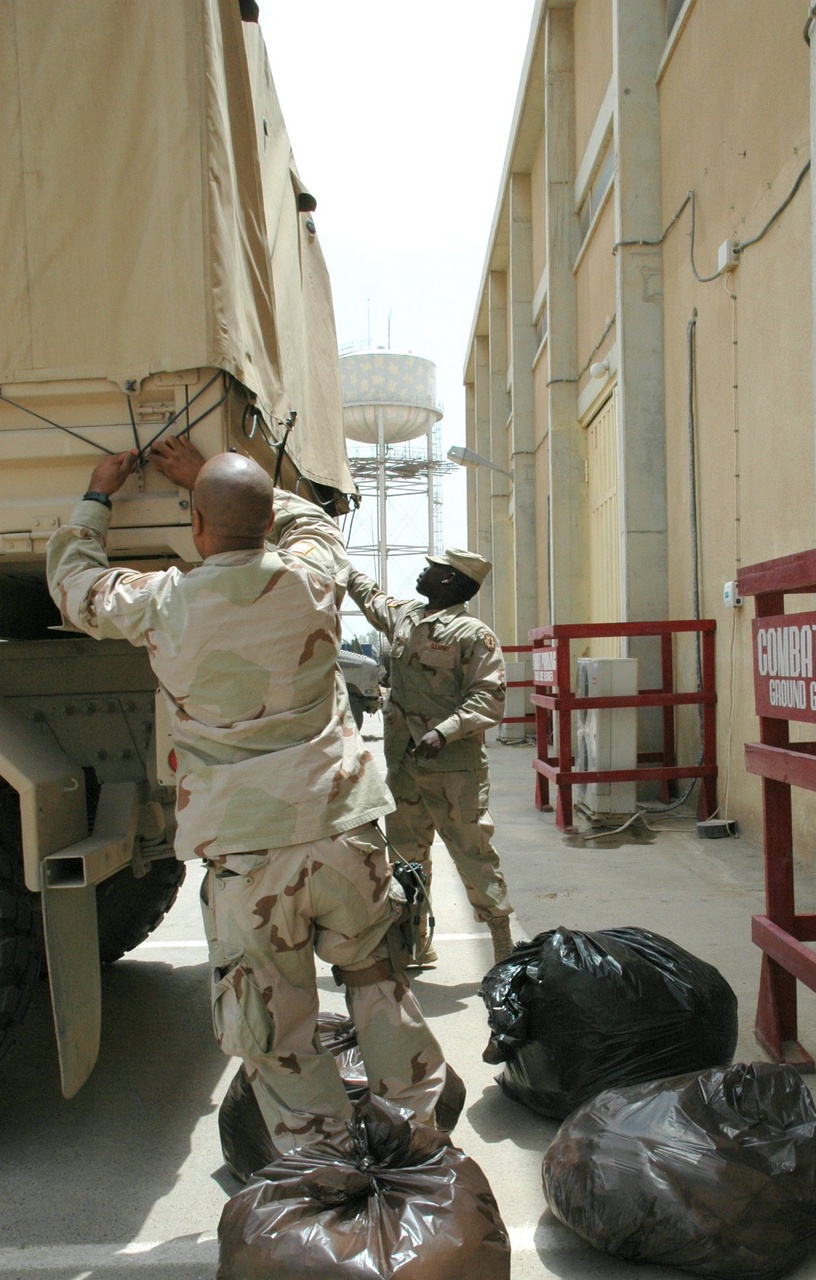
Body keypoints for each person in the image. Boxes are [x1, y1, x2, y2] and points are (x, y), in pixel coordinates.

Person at [46, 435, 446, 1152]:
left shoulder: (162, 601)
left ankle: (324, 1174)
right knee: (378, 982)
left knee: (277, 1028)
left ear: (197, 528)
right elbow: (315, 525)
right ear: (266, 521)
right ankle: (421, 1141)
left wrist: (98, 495)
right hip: (345, 832)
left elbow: (77, 585)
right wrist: (208, 471)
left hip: (249, 855)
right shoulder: (312, 577)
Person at [346, 549, 515, 966]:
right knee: (406, 857)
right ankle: (415, 941)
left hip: (454, 771)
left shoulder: (473, 634)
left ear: (449, 580)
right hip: (404, 767)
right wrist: (340, 563)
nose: (424, 570)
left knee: (473, 855)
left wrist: (445, 730)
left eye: (433, 567)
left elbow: (489, 698)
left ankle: (504, 948)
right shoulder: (406, 616)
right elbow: (369, 594)